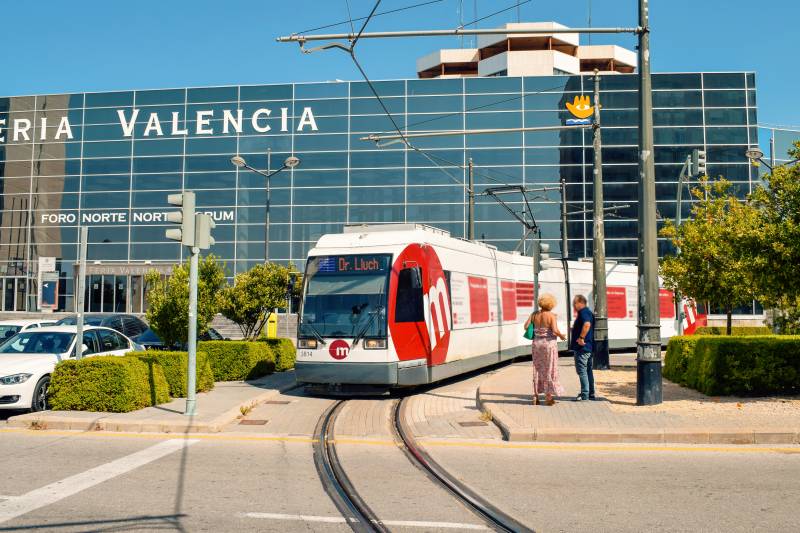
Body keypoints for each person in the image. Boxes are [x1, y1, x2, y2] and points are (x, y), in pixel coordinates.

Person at [524, 293, 566, 406]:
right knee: (549, 368)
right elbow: (555, 330)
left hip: (536, 344)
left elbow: (526, 326)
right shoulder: (551, 315)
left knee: (537, 368)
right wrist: (562, 336)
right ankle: (548, 398)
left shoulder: (534, 314)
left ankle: (535, 396)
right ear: (551, 304)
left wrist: (537, 330)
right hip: (548, 345)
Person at [571, 294, 596, 401]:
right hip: (588, 347)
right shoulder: (587, 312)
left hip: (582, 348)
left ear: (580, 303)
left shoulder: (584, 312)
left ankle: (585, 394)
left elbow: (587, 324)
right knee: (588, 371)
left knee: (582, 371)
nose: (573, 306)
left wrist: (581, 338)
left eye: (574, 303)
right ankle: (590, 393)